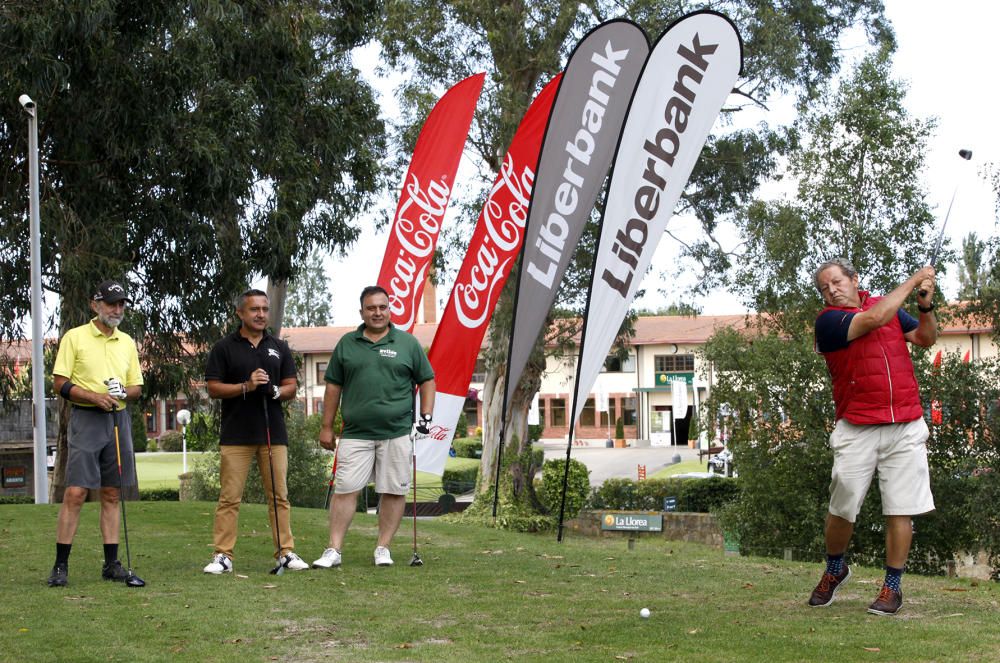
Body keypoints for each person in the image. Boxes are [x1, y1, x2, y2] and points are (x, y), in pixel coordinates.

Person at [809, 258, 938, 616]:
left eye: (836, 282)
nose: (831, 290)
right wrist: (915, 279)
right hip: (857, 425)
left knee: (901, 508)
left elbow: (926, 338)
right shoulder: (829, 321)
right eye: (824, 287)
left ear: (854, 280)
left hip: (905, 424)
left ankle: (891, 588)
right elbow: (874, 319)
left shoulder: (890, 308)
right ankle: (835, 569)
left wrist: (925, 304)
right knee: (843, 503)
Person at [313, 285, 435, 568]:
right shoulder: (347, 343)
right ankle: (334, 549)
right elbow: (333, 387)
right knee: (345, 488)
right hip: (356, 433)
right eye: (371, 308)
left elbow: (427, 379)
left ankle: (383, 548)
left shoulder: (407, 343)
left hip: (397, 431)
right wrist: (326, 427)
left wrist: (426, 417)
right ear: (362, 312)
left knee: (393, 491)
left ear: (389, 309)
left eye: (382, 307)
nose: (377, 312)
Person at [202, 289, 308, 574]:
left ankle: (285, 552)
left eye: (264, 309)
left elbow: (290, 385)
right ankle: (223, 555)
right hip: (236, 434)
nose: (261, 314)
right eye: (254, 310)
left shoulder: (278, 346)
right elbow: (213, 388)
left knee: (278, 496)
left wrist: (274, 390)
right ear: (240, 313)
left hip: (273, 433)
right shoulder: (224, 347)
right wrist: (246, 387)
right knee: (230, 498)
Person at [48, 280, 144, 587]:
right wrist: (93, 395)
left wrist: (123, 393)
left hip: (118, 420)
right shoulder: (75, 337)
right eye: (111, 303)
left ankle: (111, 564)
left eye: (121, 304)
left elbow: (136, 388)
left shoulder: (127, 342)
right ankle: (61, 565)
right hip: (86, 419)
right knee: (75, 493)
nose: (117, 309)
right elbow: (60, 383)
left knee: (113, 493)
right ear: (95, 305)